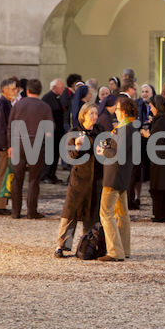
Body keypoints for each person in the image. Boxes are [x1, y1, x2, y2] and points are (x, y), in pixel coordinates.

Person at [54, 103, 104, 258]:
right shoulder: (74, 132)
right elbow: (69, 157)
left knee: (92, 214)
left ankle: (87, 245)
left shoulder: (100, 131)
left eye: (96, 113)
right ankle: (61, 246)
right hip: (79, 178)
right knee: (70, 213)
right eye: (91, 114)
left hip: (96, 179)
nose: (94, 117)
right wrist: (76, 147)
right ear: (84, 115)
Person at [95, 97, 138, 261]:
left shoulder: (125, 129)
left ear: (124, 111)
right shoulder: (131, 128)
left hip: (114, 176)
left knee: (105, 213)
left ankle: (115, 252)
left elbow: (117, 155)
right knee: (122, 214)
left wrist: (103, 152)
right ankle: (124, 249)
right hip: (123, 176)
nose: (115, 111)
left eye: (118, 109)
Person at [8, 79, 54, 219]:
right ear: (40, 91)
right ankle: (31, 211)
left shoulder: (18, 105)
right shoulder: (44, 107)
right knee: (33, 179)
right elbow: (50, 128)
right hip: (36, 143)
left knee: (17, 178)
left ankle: (15, 212)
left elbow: (10, 126)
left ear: (27, 90)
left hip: (18, 143)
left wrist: (10, 145)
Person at [141, 95, 165, 222]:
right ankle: (164, 213)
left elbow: (158, 140)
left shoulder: (162, 120)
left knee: (160, 186)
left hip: (161, 159)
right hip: (164, 158)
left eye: (151, 106)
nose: (150, 109)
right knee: (164, 186)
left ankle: (161, 214)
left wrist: (148, 135)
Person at [0, 79, 17, 215]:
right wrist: (7, 146)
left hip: (3, 145)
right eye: (12, 89)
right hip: (3, 146)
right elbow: (0, 128)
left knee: (4, 174)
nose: (15, 91)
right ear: (4, 90)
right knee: (2, 174)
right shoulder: (2, 105)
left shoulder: (4, 104)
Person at [40, 79, 66, 184]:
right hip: (50, 133)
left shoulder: (58, 98)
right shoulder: (47, 98)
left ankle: (52, 174)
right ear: (54, 87)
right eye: (61, 87)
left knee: (55, 155)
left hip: (57, 132)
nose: (63, 89)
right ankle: (45, 175)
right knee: (49, 155)